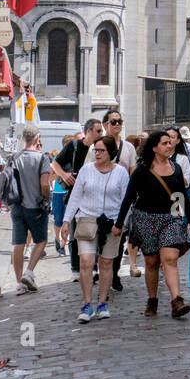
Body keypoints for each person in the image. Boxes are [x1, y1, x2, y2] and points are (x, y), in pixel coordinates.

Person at [115, 131, 190, 318]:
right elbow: (128, 198)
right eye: (165, 143)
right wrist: (119, 224)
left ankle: (177, 301)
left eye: (170, 143)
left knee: (170, 258)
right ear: (154, 147)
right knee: (151, 262)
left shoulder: (176, 168)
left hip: (170, 219)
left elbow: (181, 195)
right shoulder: (142, 170)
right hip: (146, 219)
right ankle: (152, 300)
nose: (169, 146)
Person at [61, 134, 130, 323]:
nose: (97, 154)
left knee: (106, 263)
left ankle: (102, 303)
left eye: (101, 150)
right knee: (86, 261)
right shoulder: (86, 170)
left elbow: (127, 201)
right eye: (95, 150)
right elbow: (75, 196)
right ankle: (87, 303)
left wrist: (122, 224)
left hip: (112, 222)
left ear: (111, 152)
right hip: (87, 219)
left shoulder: (121, 173)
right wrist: (66, 221)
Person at [87, 108, 137, 292]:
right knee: (99, 238)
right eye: (113, 122)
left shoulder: (129, 148)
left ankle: (113, 273)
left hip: (120, 201)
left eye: (119, 121)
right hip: (98, 201)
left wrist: (132, 197)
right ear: (106, 125)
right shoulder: (96, 147)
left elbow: (133, 173)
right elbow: (88, 170)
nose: (117, 125)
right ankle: (102, 269)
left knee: (119, 236)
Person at [51, 119, 104, 279]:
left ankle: (93, 268)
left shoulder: (101, 148)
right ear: (89, 131)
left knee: (94, 232)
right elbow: (55, 163)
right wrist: (64, 175)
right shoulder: (74, 146)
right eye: (98, 131)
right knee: (74, 233)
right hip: (75, 194)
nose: (101, 134)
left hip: (95, 196)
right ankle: (75, 269)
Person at [11, 130, 51, 294]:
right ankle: (29, 272)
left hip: (17, 206)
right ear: (37, 139)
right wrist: (46, 198)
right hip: (35, 206)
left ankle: (19, 282)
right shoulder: (42, 158)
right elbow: (44, 184)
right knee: (41, 241)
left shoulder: (15, 157)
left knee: (18, 244)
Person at [124, 134, 144, 276]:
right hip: (130, 199)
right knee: (131, 232)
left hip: (134, 201)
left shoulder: (142, 162)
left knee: (133, 232)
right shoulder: (137, 163)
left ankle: (132, 264)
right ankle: (132, 264)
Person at [51, 137, 72, 255]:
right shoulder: (57, 159)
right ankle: (57, 238)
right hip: (58, 192)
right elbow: (51, 176)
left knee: (67, 220)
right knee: (58, 220)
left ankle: (63, 246)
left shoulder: (75, 159)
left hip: (69, 193)